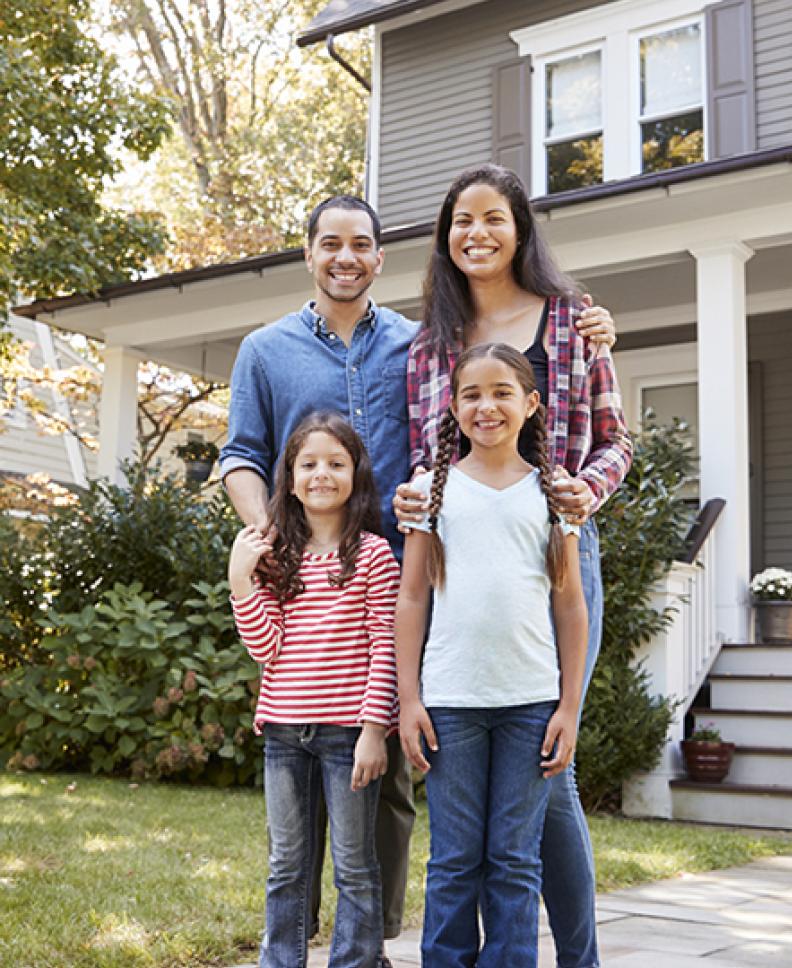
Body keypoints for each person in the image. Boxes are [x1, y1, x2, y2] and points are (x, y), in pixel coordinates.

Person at [220, 193, 617, 965]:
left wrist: (600, 336)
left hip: (466, 556)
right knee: (381, 758)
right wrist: (268, 541)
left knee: (481, 778)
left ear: (380, 257)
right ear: (307, 252)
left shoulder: (423, 339)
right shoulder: (278, 349)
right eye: (329, 244)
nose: (344, 257)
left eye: (361, 244)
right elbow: (241, 454)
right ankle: (330, 940)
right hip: (356, 576)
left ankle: (416, 941)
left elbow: (574, 422)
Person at [395, 163, 632, 967]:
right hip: (460, 566)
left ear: (520, 229)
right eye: (461, 221)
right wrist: (409, 503)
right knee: (543, 786)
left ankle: (578, 956)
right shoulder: (428, 345)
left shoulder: (572, 320)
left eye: (493, 218)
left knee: (548, 759)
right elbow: (425, 461)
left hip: (558, 550)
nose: (477, 234)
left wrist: (578, 495)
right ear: (445, 237)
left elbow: (615, 439)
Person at [395, 342, 588, 967]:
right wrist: (409, 700)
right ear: (452, 406)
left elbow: (569, 605)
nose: (487, 406)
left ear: (531, 404)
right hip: (451, 705)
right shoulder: (431, 491)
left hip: (530, 706)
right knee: (454, 860)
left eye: (503, 392)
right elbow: (414, 599)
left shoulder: (552, 495)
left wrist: (569, 708)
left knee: (513, 859)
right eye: (472, 394)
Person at [228, 411, 400, 968]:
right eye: (308, 464)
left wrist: (375, 733)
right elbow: (264, 647)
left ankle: (354, 961)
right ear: (290, 477)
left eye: (335, 463)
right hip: (283, 733)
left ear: (356, 473)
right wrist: (240, 579)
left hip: (348, 735)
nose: (321, 474)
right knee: (287, 865)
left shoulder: (374, 555)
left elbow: (386, 648)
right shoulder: (277, 557)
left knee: (354, 864)